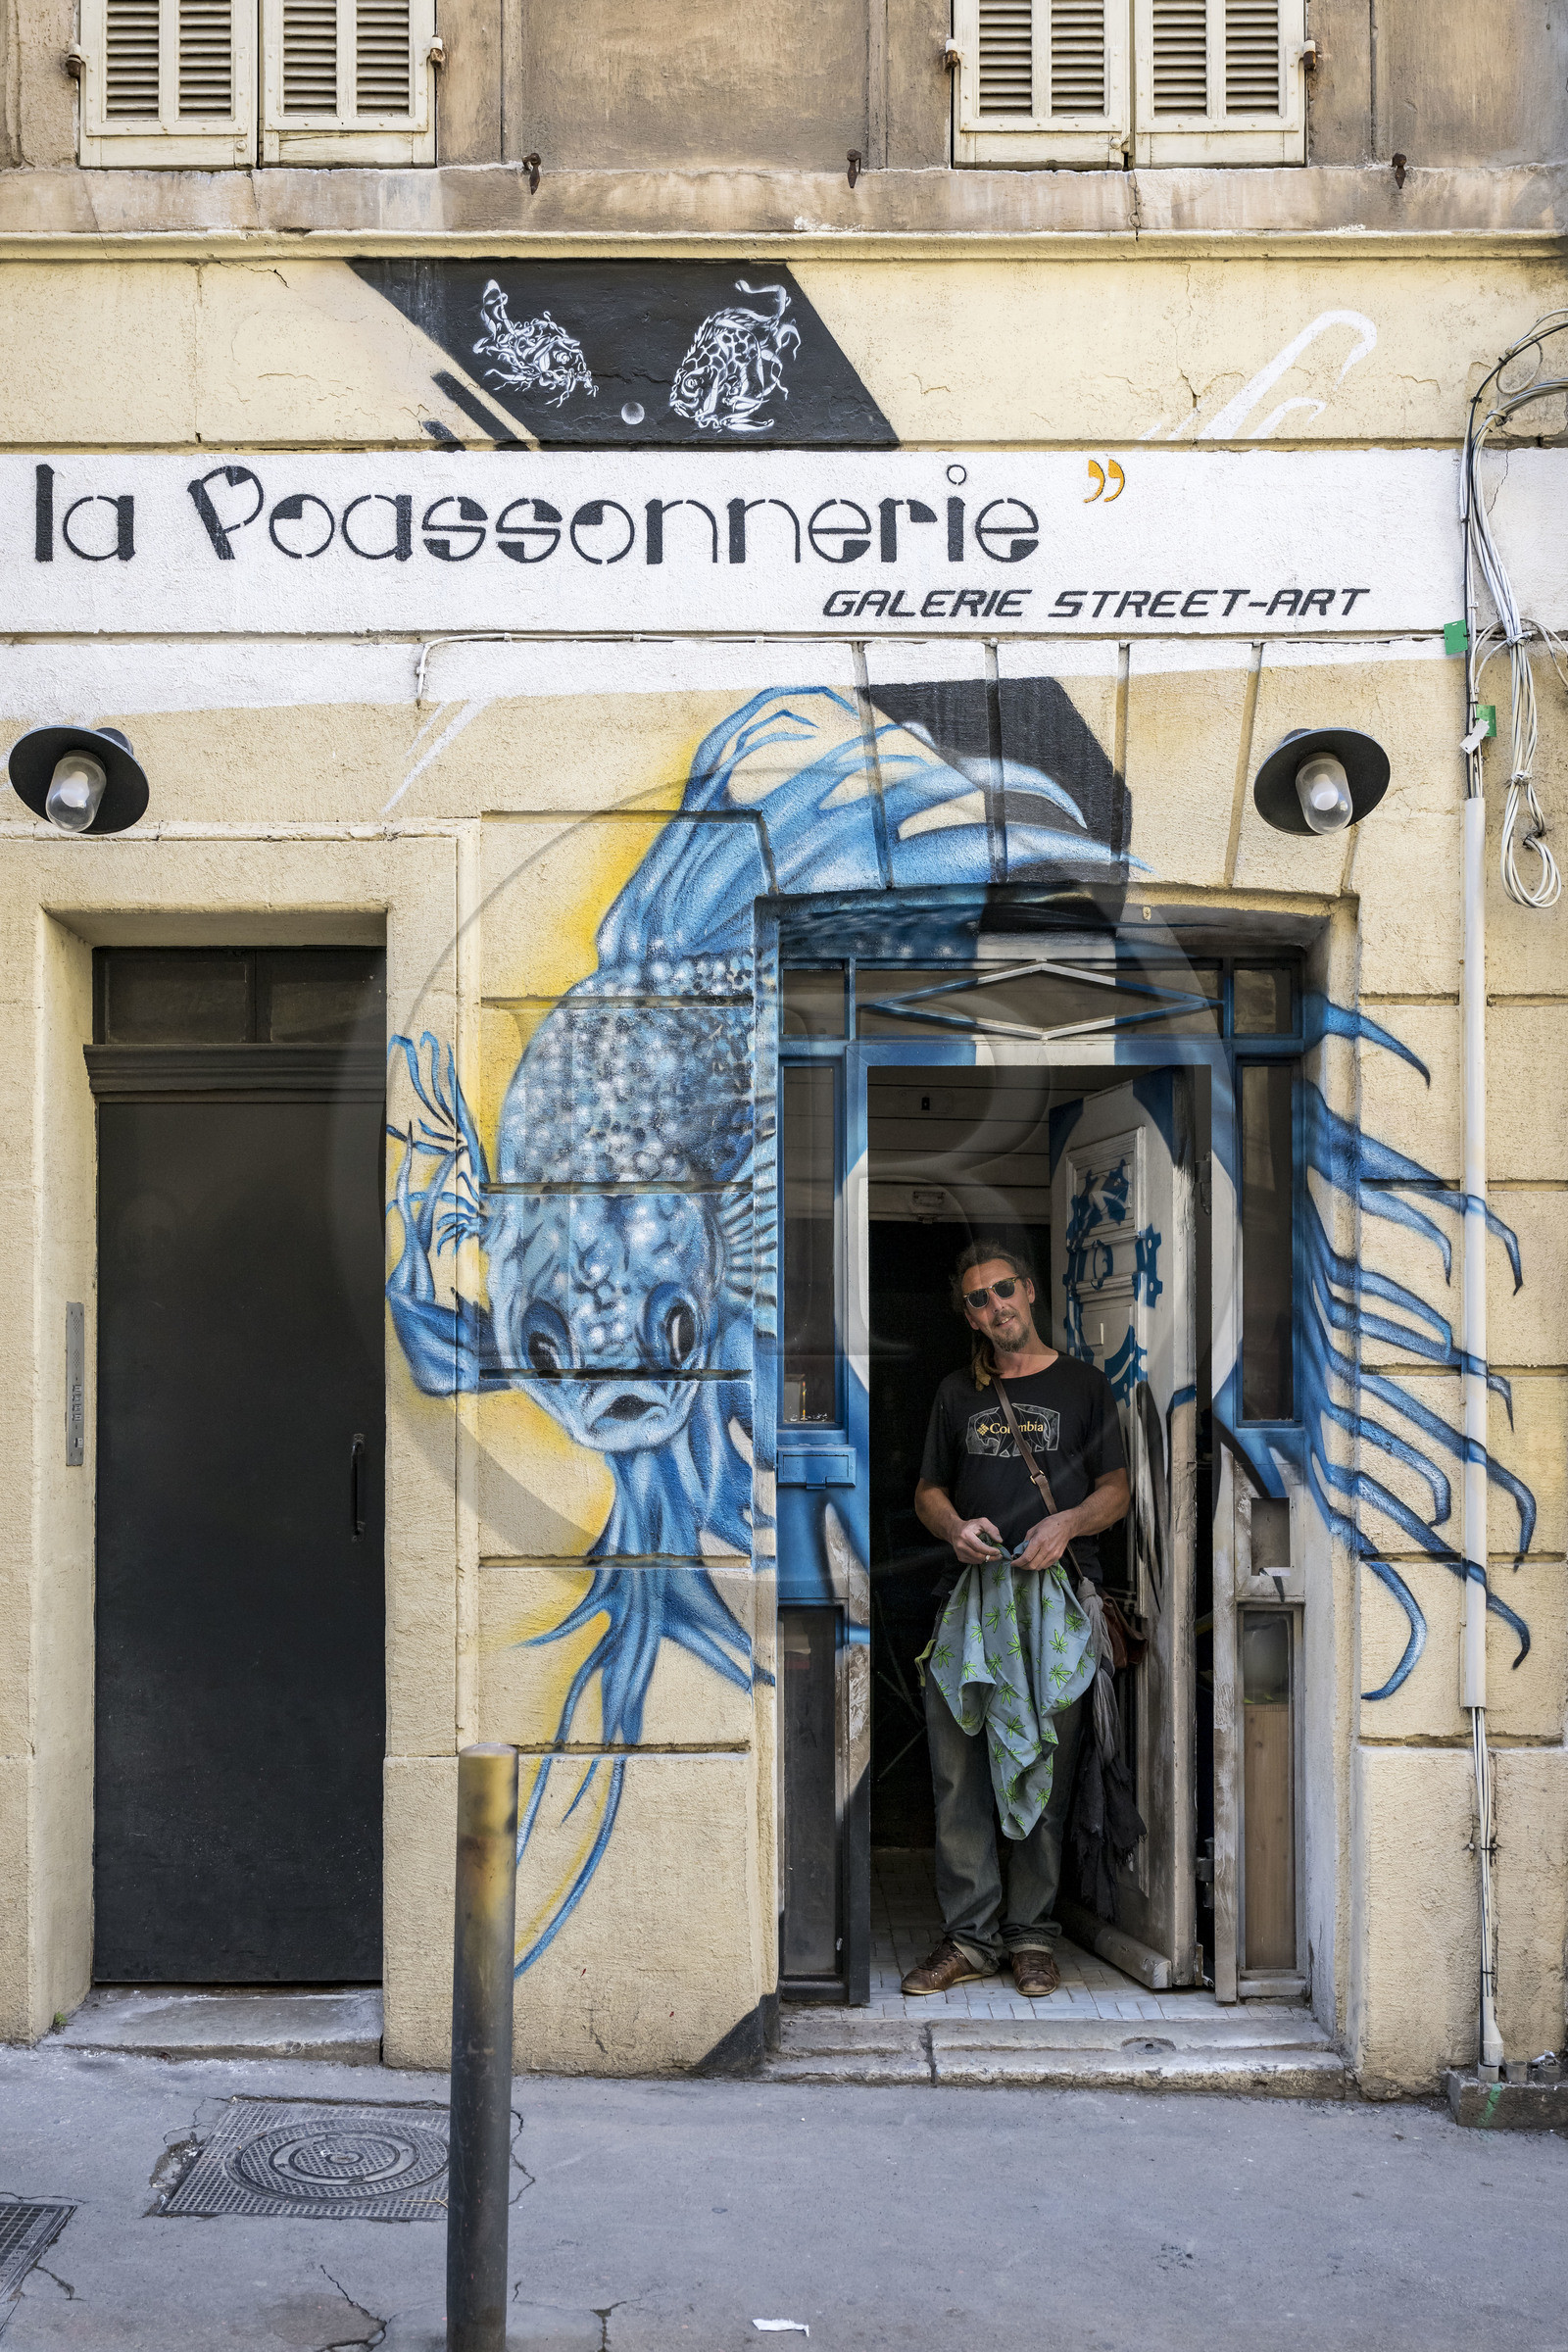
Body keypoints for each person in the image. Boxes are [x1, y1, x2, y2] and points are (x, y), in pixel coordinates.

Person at [902, 1240, 1130, 1999]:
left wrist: (1067, 1524)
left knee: (1046, 1769)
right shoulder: (955, 1393)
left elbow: (1118, 1491)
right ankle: (970, 1938)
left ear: (1029, 1292)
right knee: (958, 1772)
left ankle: (1031, 1936)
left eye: (1004, 1291)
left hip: (1057, 1604)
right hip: (968, 1607)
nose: (995, 1307)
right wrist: (953, 1528)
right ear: (967, 1315)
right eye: (978, 1299)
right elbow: (927, 1490)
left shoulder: (1084, 1386)